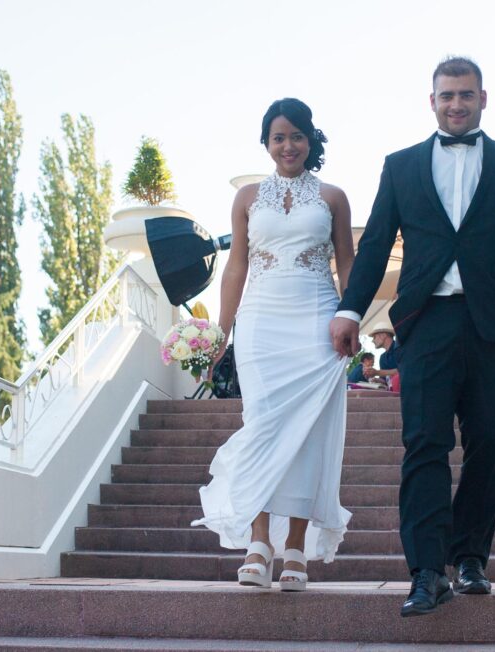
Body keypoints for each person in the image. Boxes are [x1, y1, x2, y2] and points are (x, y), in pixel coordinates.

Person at [329, 57, 495, 617]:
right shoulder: (401, 167)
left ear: (484, 98)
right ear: (432, 101)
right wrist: (349, 308)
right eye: (447, 96)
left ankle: (469, 558)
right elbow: (373, 250)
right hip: (426, 323)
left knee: (490, 446)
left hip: (493, 325)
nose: (456, 104)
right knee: (425, 445)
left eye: (466, 95)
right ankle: (424, 571)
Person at [193, 98, 354, 592]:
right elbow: (236, 266)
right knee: (262, 425)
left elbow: (348, 263)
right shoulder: (247, 197)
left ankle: (295, 549)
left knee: (307, 433)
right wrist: (220, 330)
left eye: (297, 135)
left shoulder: (333, 197)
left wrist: (352, 320)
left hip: (316, 322)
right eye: (278, 137)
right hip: (261, 323)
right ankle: (258, 542)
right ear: (266, 143)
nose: (288, 145)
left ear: (311, 140)